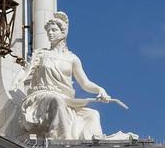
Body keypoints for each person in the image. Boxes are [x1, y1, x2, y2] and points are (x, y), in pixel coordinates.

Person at [16, 12, 112, 140]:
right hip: (41, 96)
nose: (50, 33)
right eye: (48, 31)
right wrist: (17, 81)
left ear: (63, 33)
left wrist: (100, 90)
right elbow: (26, 72)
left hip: (65, 100)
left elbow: (85, 83)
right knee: (56, 100)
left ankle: (93, 144)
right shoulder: (41, 54)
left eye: (54, 30)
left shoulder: (72, 59)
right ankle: (61, 140)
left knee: (92, 114)